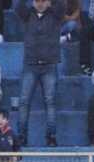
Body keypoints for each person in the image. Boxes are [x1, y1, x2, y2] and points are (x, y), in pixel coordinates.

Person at [14, 0, 66, 147]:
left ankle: (51, 137)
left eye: (44, 0)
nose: (41, 3)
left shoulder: (55, 14)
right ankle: (22, 137)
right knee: (23, 102)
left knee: (50, 102)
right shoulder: (27, 14)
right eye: (38, 0)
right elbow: (17, 5)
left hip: (49, 65)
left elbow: (62, 4)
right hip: (30, 65)